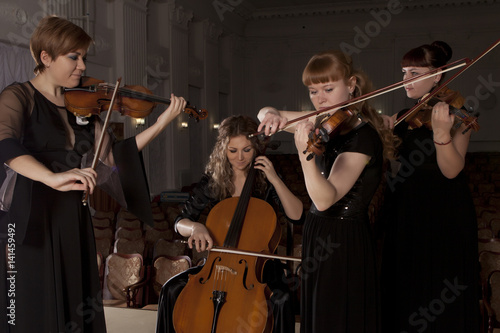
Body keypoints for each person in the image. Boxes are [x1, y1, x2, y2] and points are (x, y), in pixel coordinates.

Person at [0, 16, 186, 332]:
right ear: (45, 57)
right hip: (29, 213)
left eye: (83, 57)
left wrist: (163, 121)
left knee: (74, 299)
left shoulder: (82, 109)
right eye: (74, 56)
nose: (82, 65)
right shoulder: (19, 96)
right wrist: (51, 177)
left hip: (72, 214)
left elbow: (118, 157)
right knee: (29, 302)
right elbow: (5, 145)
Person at [257, 50, 395, 333]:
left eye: (328, 89)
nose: (320, 99)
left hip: (343, 239)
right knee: (319, 316)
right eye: (312, 91)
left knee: (338, 318)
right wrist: (271, 114)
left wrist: (304, 155)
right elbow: (266, 112)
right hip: (318, 231)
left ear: (351, 84)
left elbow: (325, 198)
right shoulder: (326, 125)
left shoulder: (364, 137)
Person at [156, 115, 304, 333]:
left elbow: (296, 215)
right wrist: (195, 227)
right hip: (218, 264)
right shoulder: (214, 179)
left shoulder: (264, 179)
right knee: (171, 289)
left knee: (280, 300)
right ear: (222, 149)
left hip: (258, 268)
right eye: (232, 151)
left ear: (256, 147)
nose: (240, 158)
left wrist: (275, 179)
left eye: (246, 150)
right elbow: (180, 222)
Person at [380, 41, 479, 332]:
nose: (405, 80)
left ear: (437, 76)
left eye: (413, 73)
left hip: (444, 214)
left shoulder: (458, 113)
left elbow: (452, 170)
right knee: (407, 286)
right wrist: (387, 139)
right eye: (403, 72)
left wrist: (440, 134)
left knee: (439, 288)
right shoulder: (402, 117)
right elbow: (395, 168)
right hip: (406, 210)